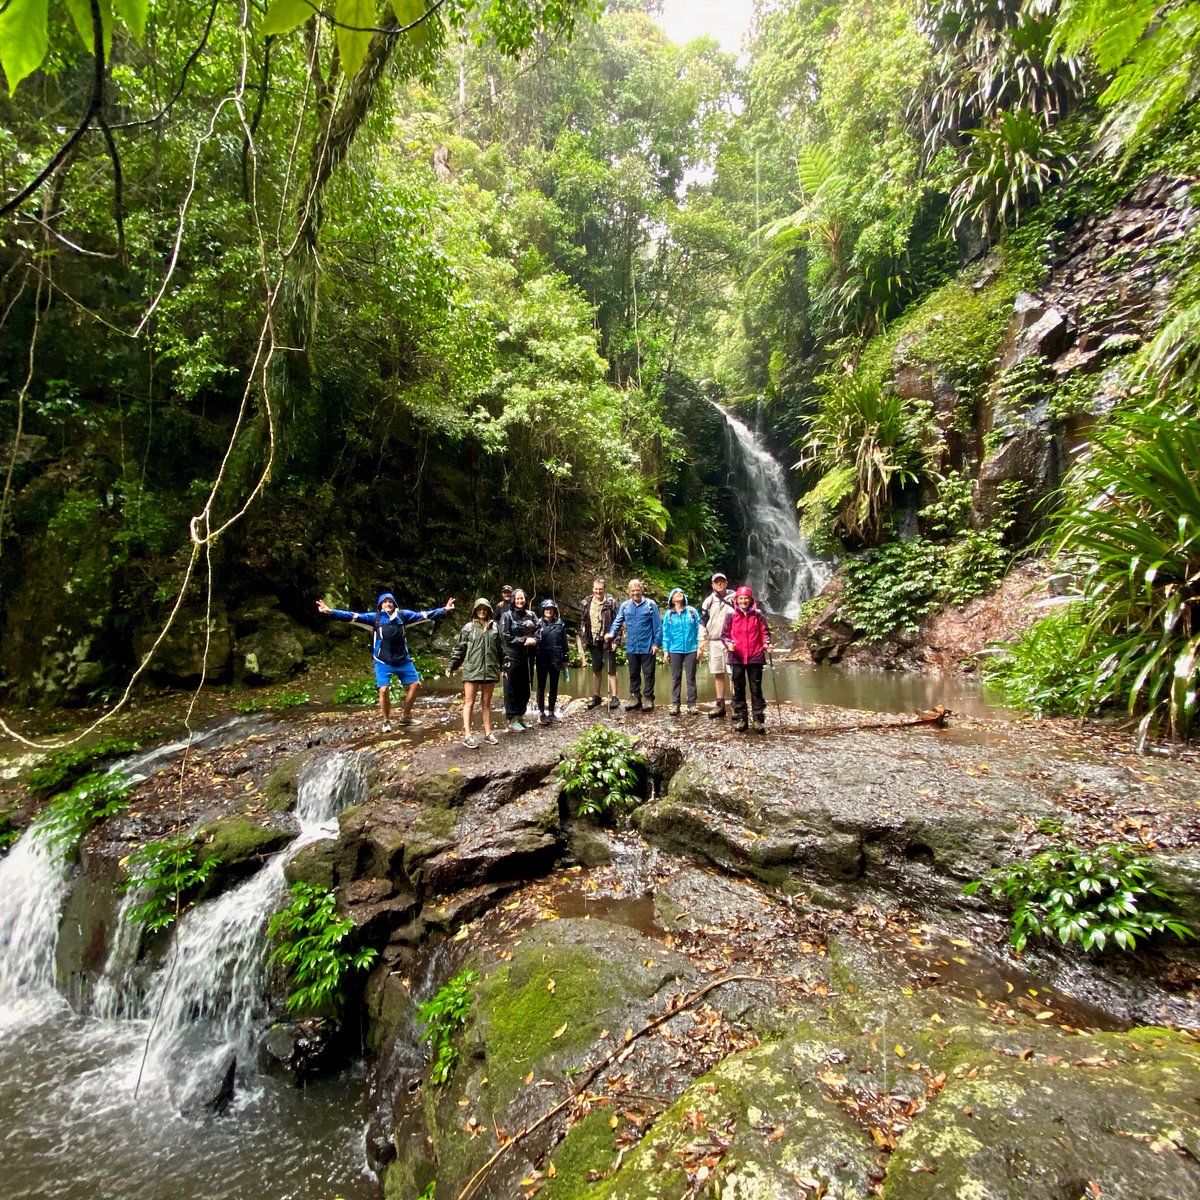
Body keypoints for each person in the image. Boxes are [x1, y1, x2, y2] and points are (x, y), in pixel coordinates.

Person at [316, 591, 455, 732]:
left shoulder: (403, 616)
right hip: (382, 661)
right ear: (380, 605)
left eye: (390, 602)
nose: (388, 604)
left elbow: (425, 615)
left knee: (415, 685)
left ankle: (406, 717)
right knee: (383, 690)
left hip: (402, 659)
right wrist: (331, 612)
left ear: (394, 604)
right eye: (385, 602)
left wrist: (444, 610)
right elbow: (353, 616)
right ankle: (386, 721)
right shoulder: (375, 618)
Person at [448, 598, 508, 748]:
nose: (482, 611)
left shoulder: (495, 628)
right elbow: (460, 648)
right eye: (479, 609)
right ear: (475, 611)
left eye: (484, 609)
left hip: (490, 669)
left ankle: (488, 733)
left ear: (488, 610)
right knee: (469, 702)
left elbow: (502, 650)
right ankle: (468, 735)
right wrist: (452, 666)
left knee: (486, 703)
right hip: (472, 669)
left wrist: (504, 667)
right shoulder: (468, 628)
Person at [721, 584, 772, 734]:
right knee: (738, 688)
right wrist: (729, 644)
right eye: (741, 598)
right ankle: (742, 719)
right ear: (736, 599)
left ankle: (758, 720)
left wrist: (767, 644)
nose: (743, 601)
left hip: (755, 656)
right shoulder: (731, 614)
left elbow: (765, 633)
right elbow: (725, 635)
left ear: (751, 600)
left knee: (756, 689)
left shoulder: (758, 614)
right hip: (736, 657)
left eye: (746, 598)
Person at [606, 578, 662, 712]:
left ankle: (648, 698)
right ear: (628, 592)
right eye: (632, 591)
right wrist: (611, 633)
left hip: (647, 646)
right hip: (632, 646)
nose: (635, 593)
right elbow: (617, 621)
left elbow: (658, 626)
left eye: (637, 590)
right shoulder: (625, 606)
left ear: (641, 590)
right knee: (633, 673)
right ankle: (635, 697)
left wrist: (656, 643)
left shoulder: (651, 605)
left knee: (648, 674)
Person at [499, 587, 539, 731]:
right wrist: (523, 640)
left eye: (522, 598)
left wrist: (535, 639)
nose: (520, 601)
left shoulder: (531, 615)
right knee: (511, 688)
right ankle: (512, 718)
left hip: (527, 657)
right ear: (513, 600)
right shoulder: (507, 616)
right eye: (517, 598)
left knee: (526, 688)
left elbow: (539, 630)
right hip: (512, 657)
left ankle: (520, 716)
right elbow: (504, 637)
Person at [579, 577, 619, 711]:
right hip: (593, 640)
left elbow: (618, 621)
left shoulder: (611, 603)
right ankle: (597, 696)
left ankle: (614, 696)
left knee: (611, 669)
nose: (598, 592)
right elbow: (583, 621)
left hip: (608, 639)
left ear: (604, 589)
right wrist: (585, 639)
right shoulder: (587, 602)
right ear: (593, 589)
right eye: (596, 589)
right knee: (596, 669)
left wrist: (616, 640)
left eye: (600, 589)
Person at [699, 572, 734, 719]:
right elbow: (703, 622)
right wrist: (702, 640)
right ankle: (720, 704)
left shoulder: (735, 598)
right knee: (718, 672)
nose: (719, 584)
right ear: (712, 585)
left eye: (722, 581)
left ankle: (735, 704)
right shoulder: (708, 601)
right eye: (716, 582)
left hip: (731, 641)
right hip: (714, 640)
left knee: (733, 673)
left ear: (726, 583)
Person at [661, 587, 701, 716]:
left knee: (691, 677)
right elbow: (666, 633)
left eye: (681, 592)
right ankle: (675, 704)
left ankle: (692, 704)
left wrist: (699, 647)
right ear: (671, 599)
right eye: (676, 593)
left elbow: (699, 630)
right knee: (676, 677)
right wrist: (666, 650)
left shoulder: (692, 612)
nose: (679, 594)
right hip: (674, 649)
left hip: (691, 648)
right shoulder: (669, 614)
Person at [534, 599, 569, 724]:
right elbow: (534, 640)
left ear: (554, 611)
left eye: (551, 609)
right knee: (541, 685)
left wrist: (565, 658)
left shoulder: (560, 624)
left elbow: (564, 642)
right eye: (547, 609)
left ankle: (551, 712)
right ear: (543, 610)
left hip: (556, 658)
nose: (549, 611)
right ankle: (541, 712)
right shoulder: (538, 623)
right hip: (542, 658)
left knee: (554, 685)